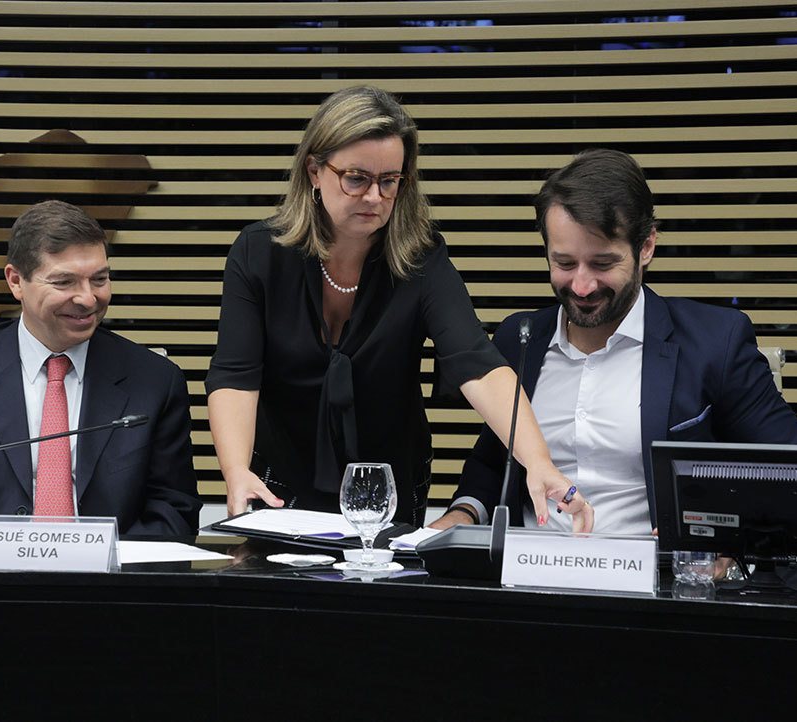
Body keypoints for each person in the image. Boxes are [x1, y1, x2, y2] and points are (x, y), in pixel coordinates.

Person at [205, 86, 592, 530]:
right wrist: (236, 470)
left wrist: (537, 461)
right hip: (278, 481)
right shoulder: (259, 253)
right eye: (356, 178)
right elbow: (235, 375)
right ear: (314, 171)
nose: (374, 196)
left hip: (387, 486)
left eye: (389, 181)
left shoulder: (420, 259)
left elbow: (476, 362)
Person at [434, 148, 797, 533]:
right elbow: (492, 464)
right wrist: (461, 515)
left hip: (654, 570)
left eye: (603, 264)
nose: (582, 286)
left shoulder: (715, 342)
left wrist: (722, 536)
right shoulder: (520, 338)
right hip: (529, 568)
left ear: (646, 246)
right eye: (564, 263)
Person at [0, 200, 201, 535]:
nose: (88, 299)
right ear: (16, 281)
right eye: (64, 282)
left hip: (113, 567)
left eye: (99, 279)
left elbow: (174, 511)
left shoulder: (154, 380)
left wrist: (104, 559)